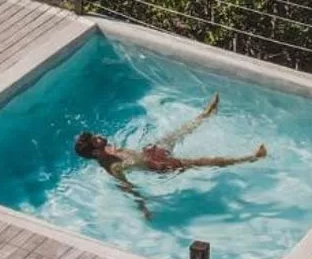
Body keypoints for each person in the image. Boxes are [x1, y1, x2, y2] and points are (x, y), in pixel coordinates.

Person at [73, 93, 267, 217]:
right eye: (95, 139)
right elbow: (127, 187)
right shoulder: (113, 167)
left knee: (178, 132)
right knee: (203, 162)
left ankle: (206, 114)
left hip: (150, 153)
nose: (98, 136)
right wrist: (144, 208)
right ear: (95, 151)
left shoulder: (107, 149)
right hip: (159, 166)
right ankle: (252, 157)